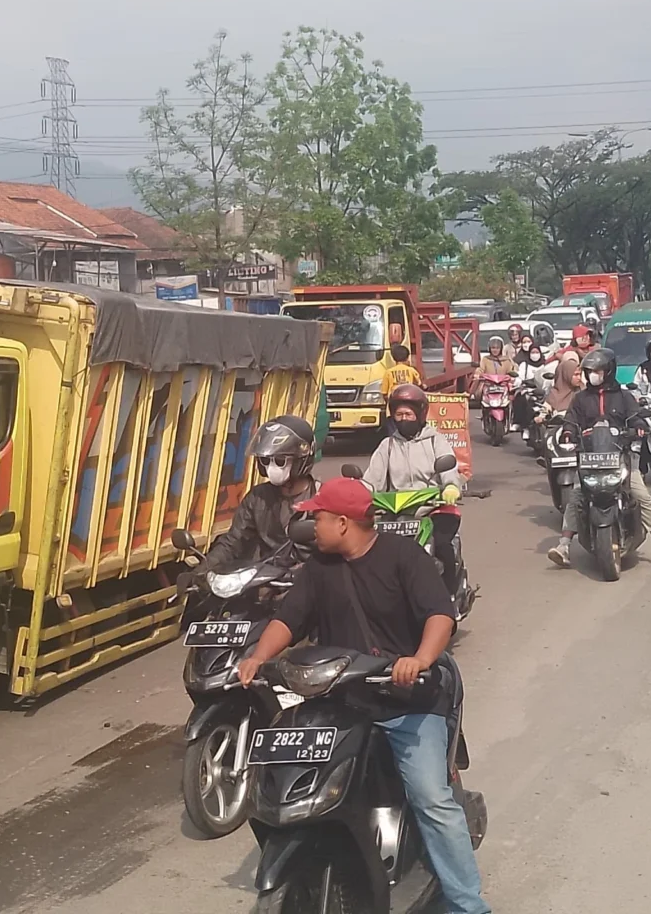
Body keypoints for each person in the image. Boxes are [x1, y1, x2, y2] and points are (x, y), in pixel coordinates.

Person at [236, 478, 489, 914]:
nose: (311, 525)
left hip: (407, 701)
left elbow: (439, 615)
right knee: (285, 778)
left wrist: (420, 660)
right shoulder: (319, 568)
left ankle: (469, 905)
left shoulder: (403, 557)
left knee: (430, 797)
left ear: (342, 522)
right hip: (339, 701)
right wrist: (257, 658)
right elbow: (289, 619)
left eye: (317, 517)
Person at [550, 347, 651, 569]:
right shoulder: (580, 398)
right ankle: (564, 545)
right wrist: (568, 433)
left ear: (609, 371)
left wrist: (640, 427)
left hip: (621, 457)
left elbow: (636, 418)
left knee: (641, 494)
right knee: (576, 498)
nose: (593, 374)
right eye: (590, 371)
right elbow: (571, 421)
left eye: (597, 370)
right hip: (590, 459)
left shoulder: (624, 397)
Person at [362, 384, 469, 596]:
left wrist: (449, 486)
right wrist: (358, 493)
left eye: (408, 414)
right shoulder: (387, 445)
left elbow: (448, 466)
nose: (403, 419)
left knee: (442, 546)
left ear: (420, 414)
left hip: (433, 508)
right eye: (399, 414)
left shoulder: (435, 440)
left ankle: (448, 598)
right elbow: (371, 480)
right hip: (395, 512)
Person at [205, 415, 319, 572]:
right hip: (265, 581)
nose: (272, 467)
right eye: (266, 461)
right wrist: (204, 569)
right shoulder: (258, 497)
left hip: (307, 583)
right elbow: (234, 541)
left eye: (280, 461)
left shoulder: (322, 499)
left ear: (301, 459)